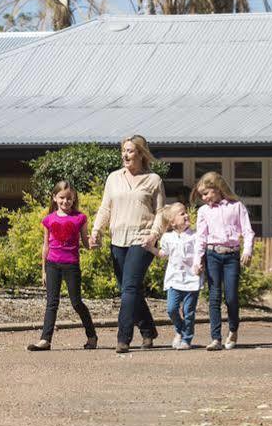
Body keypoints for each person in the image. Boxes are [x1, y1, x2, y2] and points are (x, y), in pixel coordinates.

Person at [90, 135, 165, 354]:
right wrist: (96, 231)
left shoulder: (154, 180)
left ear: (141, 154)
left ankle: (123, 338)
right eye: (123, 150)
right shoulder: (114, 178)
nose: (125, 154)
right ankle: (149, 330)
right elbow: (105, 208)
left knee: (129, 288)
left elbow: (161, 212)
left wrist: (153, 234)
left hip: (142, 239)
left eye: (130, 151)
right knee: (129, 289)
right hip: (117, 238)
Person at [28, 181, 98, 351]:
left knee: (76, 302)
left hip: (71, 265)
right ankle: (45, 339)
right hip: (52, 264)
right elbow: (46, 246)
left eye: (69, 199)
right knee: (51, 303)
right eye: (62, 198)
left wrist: (94, 243)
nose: (65, 202)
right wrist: (43, 270)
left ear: (74, 199)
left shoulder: (80, 218)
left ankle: (92, 336)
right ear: (54, 197)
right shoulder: (48, 220)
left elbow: (86, 243)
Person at [190, 171, 254, 351]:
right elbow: (201, 237)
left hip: (232, 255)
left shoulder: (237, 206)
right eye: (202, 195)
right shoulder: (203, 212)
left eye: (206, 193)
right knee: (214, 296)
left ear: (218, 189)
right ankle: (215, 338)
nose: (204, 198)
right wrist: (197, 260)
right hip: (212, 255)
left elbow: (248, 231)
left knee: (232, 296)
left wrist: (247, 250)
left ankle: (233, 330)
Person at [148, 203, 201, 350]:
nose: (186, 215)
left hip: (192, 280)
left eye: (186, 213)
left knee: (188, 311)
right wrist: (150, 248)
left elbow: (200, 253)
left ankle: (187, 339)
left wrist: (200, 264)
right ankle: (180, 329)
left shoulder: (195, 236)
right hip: (174, 279)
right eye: (182, 214)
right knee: (171, 309)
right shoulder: (167, 237)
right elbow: (163, 254)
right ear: (172, 222)